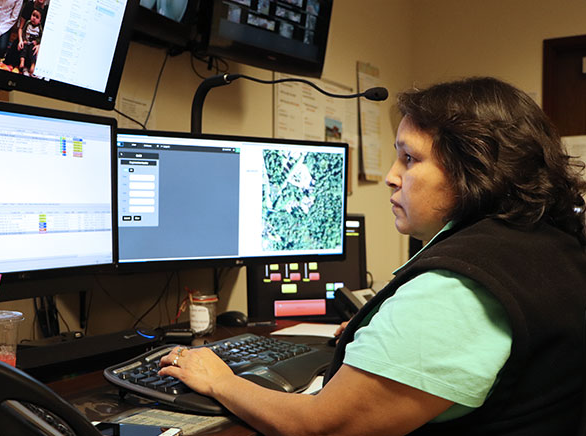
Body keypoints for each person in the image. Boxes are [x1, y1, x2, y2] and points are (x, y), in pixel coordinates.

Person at [158, 77, 586, 435]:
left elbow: (321, 428)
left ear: (474, 169)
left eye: (409, 158)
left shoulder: (456, 289)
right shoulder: (552, 245)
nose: (390, 177)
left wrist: (220, 381)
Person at [17, 8, 42, 75]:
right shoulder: (28, 23)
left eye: (37, 17)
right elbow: (24, 32)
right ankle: (22, 62)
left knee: (33, 52)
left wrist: (37, 41)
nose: (34, 18)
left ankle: (32, 65)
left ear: (39, 21)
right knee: (23, 49)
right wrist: (24, 39)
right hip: (26, 42)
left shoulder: (39, 27)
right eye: (33, 15)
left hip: (33, 44)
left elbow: (40, 36)